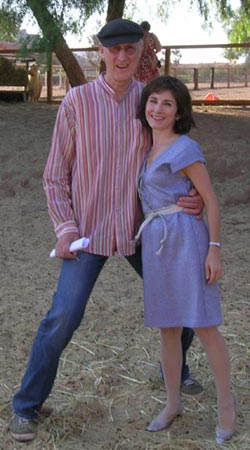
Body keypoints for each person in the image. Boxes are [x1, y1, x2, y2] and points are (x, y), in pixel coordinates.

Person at [9, 19, 203, 443]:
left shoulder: (150, 103)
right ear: (100, 50)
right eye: (114, 49)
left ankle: (175, 369)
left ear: (140, 51)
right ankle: (26, 405)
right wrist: (65, 229)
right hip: (89, 232)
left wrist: (195, 195)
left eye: (131, 50)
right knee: (62, 317)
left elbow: (175, 156)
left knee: (184, 303)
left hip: (142, 229)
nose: (122, 57)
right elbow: (54, 176)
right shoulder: (76, 102)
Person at [135, 75, 236, 443]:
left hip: (188, 242)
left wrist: (214, 249)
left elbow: (210, 199)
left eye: (166, 104)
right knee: (168, 329)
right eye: (153, 101)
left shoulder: (185, 148)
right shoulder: (146, 148)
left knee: (205, 326)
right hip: (158, 245)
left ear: (179, 113)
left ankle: (227, 405)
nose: (157, 109)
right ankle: (172, 402)